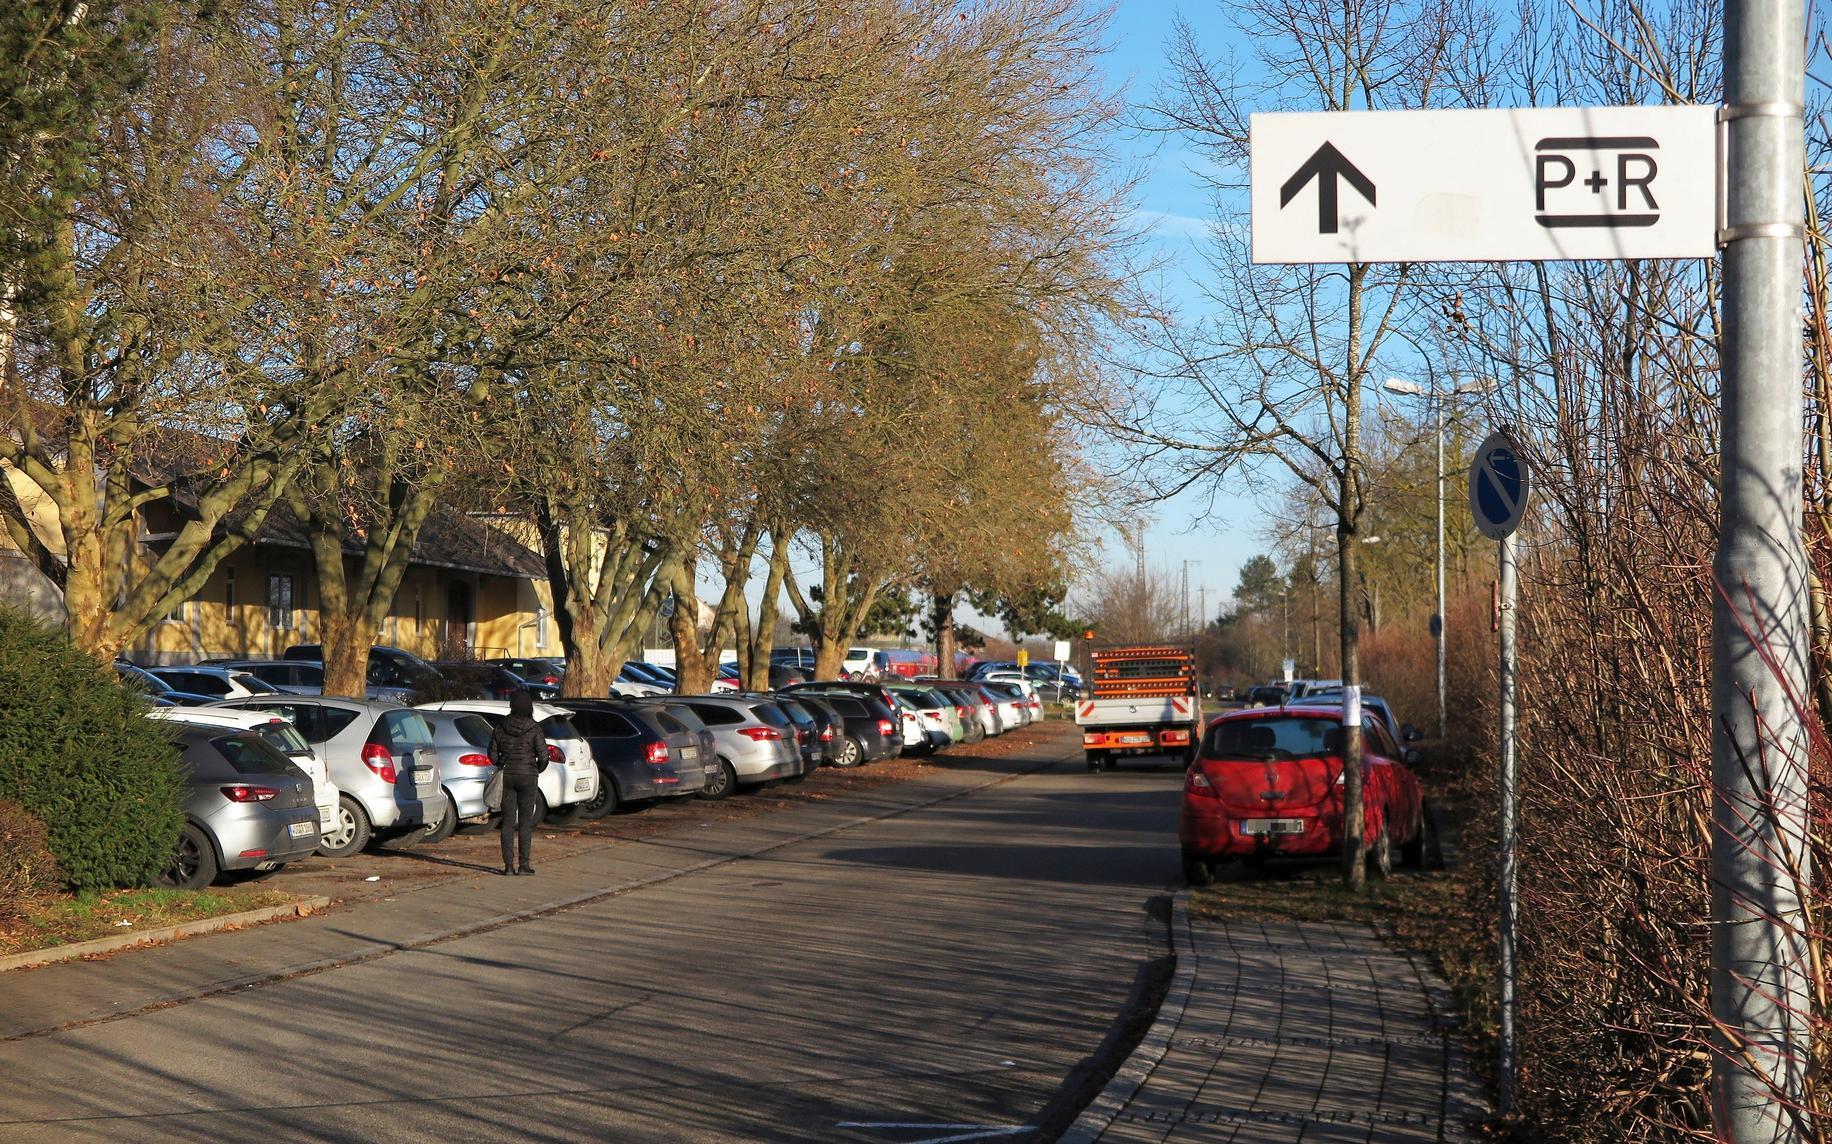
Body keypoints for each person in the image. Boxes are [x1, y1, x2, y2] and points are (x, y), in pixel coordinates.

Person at [488, 689, 548, 876]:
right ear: (529, 706)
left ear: (512, 706)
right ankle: (524, 865)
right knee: (525, 822)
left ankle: (507, 866)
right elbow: (544, 756)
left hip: (507, 776)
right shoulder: (534, 728)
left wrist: (500, 763)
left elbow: (491, 754)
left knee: (507, 822)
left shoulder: (500, 727)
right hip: (528, 776)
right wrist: (536, 769)